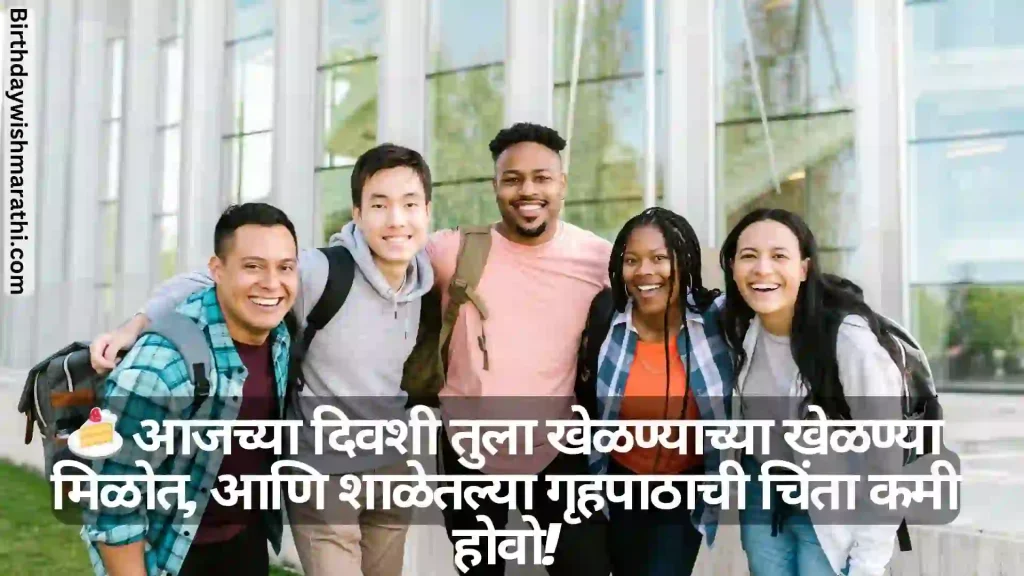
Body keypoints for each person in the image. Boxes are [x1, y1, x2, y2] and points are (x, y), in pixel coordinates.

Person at [88, 144, 436, 576]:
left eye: (409, 204)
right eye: (379, 205)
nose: (396, 219)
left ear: (428, 210)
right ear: (357, 213)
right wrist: (135, 324)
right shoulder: (319, 272)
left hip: (382, 462)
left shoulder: (426, 274)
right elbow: (213, 278)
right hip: (323, 473)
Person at [426, 122, 613, 575]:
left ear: (562, 183)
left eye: (542, 177)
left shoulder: (600, 259)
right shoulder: (452, 251)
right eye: (512, 179)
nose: (527, 190)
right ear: (495, 187)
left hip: (559, 452)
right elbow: (376, 265)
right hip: (467, 451)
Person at [81, 202, 299, 576]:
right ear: (216, 270)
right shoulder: (163, 363)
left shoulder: (278, 336)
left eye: (285, 267)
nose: (271, 283)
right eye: (253, 266)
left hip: (245, 543)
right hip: (173, 556)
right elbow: (110, 500)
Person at [718, 208, 904, 576]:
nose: (762, 269)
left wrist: (868, 563)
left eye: (779, 256)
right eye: (749, 256)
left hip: (833, 498)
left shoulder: (848, 340)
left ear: (803, 269)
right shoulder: (738, 326)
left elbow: (885, 462)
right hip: (764, 489)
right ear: (733, 267)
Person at [575, 207, 733, 575]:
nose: (645, 271)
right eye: (632, 260)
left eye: (660, 258)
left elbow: (788, 308)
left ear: (686, 262)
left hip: (683, 490)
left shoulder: (718, 319)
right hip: (617, 482)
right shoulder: (606, 317)